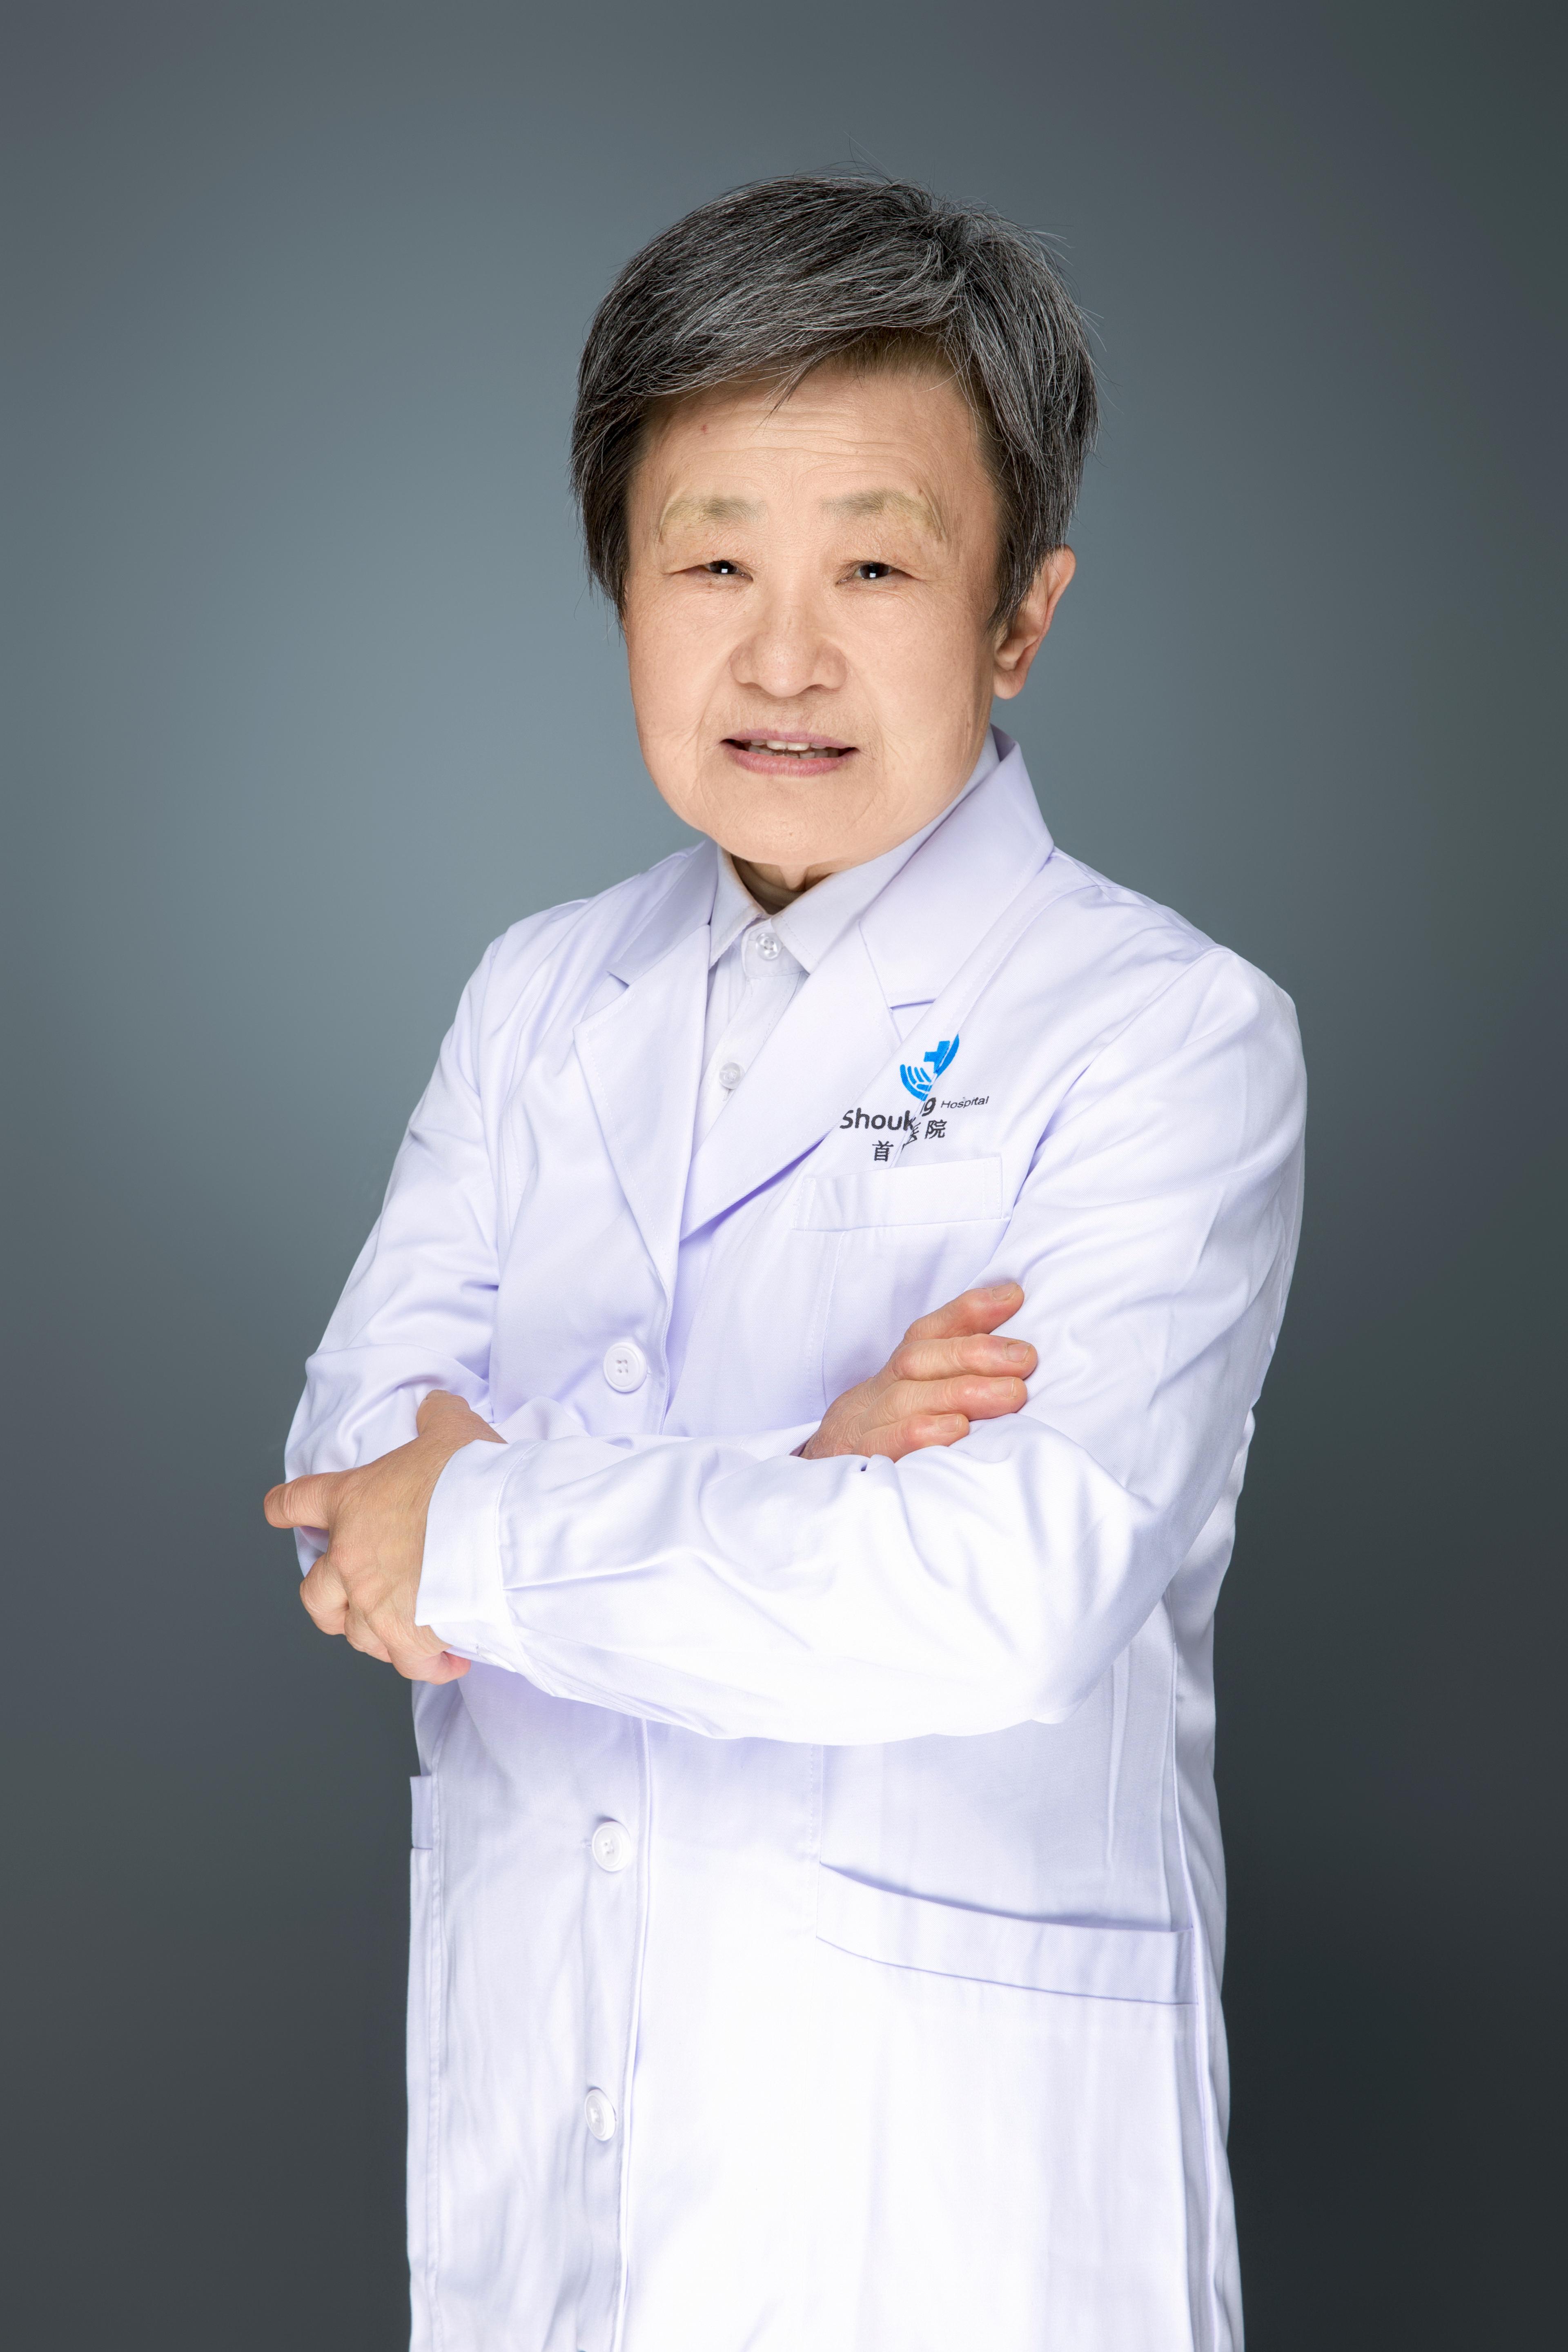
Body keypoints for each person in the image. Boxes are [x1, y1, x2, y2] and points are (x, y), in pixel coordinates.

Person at [267, 176, 1305, 2352]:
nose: (785, 656)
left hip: (945, 2193)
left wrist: (497, 1524)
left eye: (877, 567)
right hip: (546, 2131)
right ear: (621, 588)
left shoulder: (1162, 1032)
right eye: (714, 560)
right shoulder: (537, 995)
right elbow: (356, 1500)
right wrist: (805, 1471)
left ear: (1019, 617)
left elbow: (998, 1592)